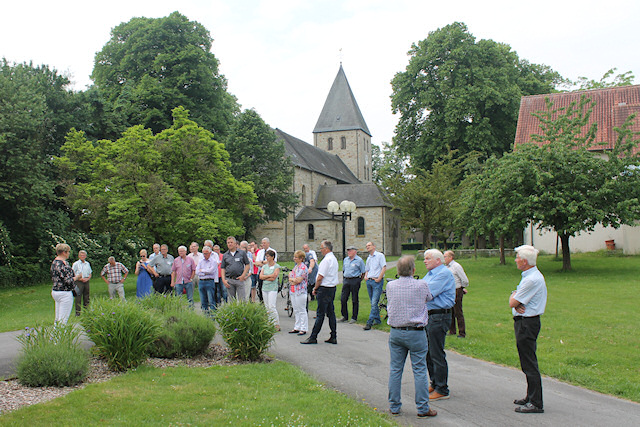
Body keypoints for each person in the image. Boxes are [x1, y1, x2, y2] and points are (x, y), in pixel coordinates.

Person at [386, 256, 437, 418]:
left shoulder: (390, 285)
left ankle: (394, 405)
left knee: (395, 369)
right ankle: (422, 407)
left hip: (396, 331)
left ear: (397, 270)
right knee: (420, 369)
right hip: (416, 331)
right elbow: (429, 298)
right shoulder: (421, 284)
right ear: (413, 270)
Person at [510, 245, 547, 414]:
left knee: (529, 362)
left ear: (524, 261)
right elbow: (516, 298)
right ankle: (530, 396)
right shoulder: (529, 276)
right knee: (526, 361)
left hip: (527, 323)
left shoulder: (532, 279)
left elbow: (513, 301)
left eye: (517, 257)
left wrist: (514, 298)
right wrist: (516, 298)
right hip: (525, 321)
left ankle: (536, 402)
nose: (516, 260)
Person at [422, 249, 455, 401]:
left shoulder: (443, 274)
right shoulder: (430, 274)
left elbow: (426, 293)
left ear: (438, 260)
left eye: (428, 258)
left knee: (436, 352)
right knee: (428, 352)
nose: (425, 261)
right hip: (429, 316)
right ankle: (435, 382)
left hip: (439, 316)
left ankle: (442, 388)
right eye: (424, 258)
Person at [301, 240, 338, 344]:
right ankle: (333, 335)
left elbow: (320, 277)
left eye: (321, 248)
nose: (320, 250)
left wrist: (315, 288)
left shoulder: (326, 260)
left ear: (326, 249)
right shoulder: (333, 259)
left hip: (324, 288)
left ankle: (313, 336)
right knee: (331, 312)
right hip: (331, 288)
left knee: (320, 313)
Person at [51, 243, 81, 324]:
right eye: (68, 252)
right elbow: (68, 280)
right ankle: (61, 335)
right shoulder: (62, 264)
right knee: (63, 319)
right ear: (64, 252)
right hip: (64, 292)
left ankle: (56, 334)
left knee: (58, 317)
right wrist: (77, 277)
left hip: (56, 290)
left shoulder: (55, 262)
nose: (68, 254)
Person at [444, 250, 469, 338]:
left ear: (450, 257)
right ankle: (452, 330)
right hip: (449, 291)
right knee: (450, 311)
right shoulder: (446, 267)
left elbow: (464, 279)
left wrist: (462, 288)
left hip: (456, 289)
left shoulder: (456, 266)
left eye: (445, 257)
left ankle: (462, 332)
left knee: (458, 311)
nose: (444, 259)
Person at [363, 241, 387, 330]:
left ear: (374, 246)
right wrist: (366, 276)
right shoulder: (369, 258)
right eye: (366, 246)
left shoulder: (380, 256)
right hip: (369, 281)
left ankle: (369, 322)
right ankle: (378, 320)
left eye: (369, 245)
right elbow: (367, 269)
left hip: (377, 281)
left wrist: (379, 278)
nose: (367, 247)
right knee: (373, 302)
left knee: (374, 302)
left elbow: (384, 267)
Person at [340, 245, 365, 324]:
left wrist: (359, 280)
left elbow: (363, 272)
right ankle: (344, 316)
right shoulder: (346, 260)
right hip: (346, 279)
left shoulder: (359, 260)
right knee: (343, 298)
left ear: (355, 251)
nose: (349, 252)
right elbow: (344, 270)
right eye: (348, 251)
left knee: (354, 299)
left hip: (355, 280)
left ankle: (354, 317)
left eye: (350, 251)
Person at [221, 236, 250, 300]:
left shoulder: (242, 253)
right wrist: (223, 279)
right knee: (231, 301)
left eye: (231, 242)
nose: (230, 244)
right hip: (229, 280)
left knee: (242, 300)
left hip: (239, 279)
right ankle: (232, 310)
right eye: (228, 243)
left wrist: (243, 275)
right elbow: (223, 268)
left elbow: (247, 265)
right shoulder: (225, 255)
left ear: (235, 244)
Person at [259, 250, 281, 331]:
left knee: (272, 306)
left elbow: (274, 277)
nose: (267, 258)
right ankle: (269, 322)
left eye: (268, 256)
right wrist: (268, 276)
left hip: (272, 288)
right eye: (266, 256)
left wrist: (266, 276)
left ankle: (276, 323)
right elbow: (261, 276)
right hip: (265, 288)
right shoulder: (264, 266)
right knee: (267, 306)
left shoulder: (277, 266)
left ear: (272, 257)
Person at [288, 250, 309, 335]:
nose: (294, 259)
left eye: (296, 257)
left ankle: (303, 328)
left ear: (301, 258)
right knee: (296, 309)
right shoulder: (296, 267)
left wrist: (293, 279)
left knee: (301, 309)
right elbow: (291, 277)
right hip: (293, 290)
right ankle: (297, 326)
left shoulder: (303, 268)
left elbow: (298, 280)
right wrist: (292, 279)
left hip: (300, 291)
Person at [196, 245, 219, 316]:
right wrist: (205, 272)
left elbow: (211, 271)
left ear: (210, 253)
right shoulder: (200, 261)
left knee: (211, 299)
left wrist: (202, 271)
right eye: (203, 253)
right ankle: (205, 315)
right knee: (203, 300)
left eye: (206, 253)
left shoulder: (213, 261)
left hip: (209, 281)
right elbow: (197, 272)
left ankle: (213, 315)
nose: (204, 255)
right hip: (201, 282)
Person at [255, 237, 277, 302]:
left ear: (268, 243)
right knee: (260, 288)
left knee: (269, 289)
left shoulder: (273, 251)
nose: (263, 244)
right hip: (261, 272)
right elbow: (256, 263)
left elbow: (273, 262)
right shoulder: (260, 252)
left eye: (264, 243)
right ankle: (262, 303)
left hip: (270, 273)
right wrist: (264, 263)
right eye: (262, 243)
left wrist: (261, 262)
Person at [72, 249, 92, 316]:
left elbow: (90, 273)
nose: (82, 256)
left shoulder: (87, 264)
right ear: (79, 256)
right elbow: (73, 273)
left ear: (85, 256)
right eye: (81, 255)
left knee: (86, 296)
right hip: (79, 281)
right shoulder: (76, 264)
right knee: (78, 296)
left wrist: (88, 278)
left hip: (86, 281)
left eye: (84, 255)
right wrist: (80, 279)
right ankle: (78, 312)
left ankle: (86, 311)